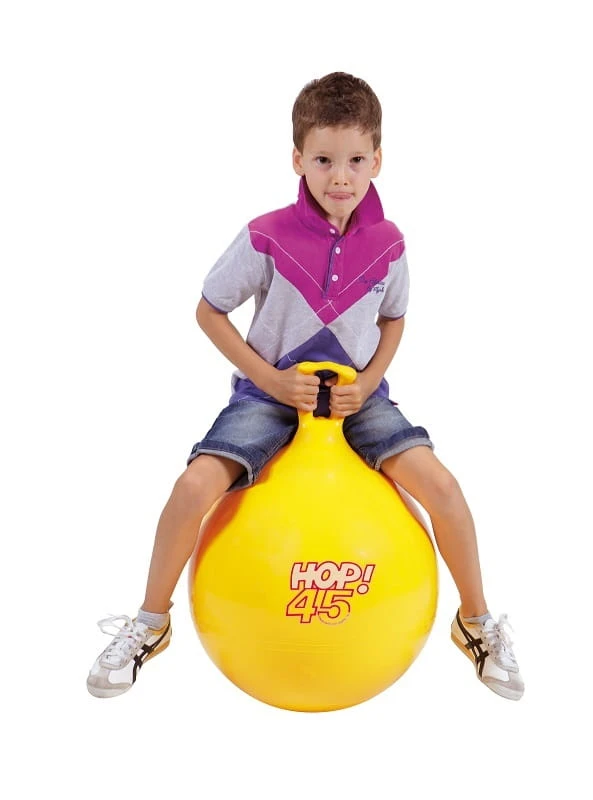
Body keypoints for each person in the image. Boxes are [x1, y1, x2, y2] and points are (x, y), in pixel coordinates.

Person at [87, 72, 523, 702]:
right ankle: (150, 624)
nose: (339, 177)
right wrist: (268, 378)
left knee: (444, 489)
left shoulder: (390, 243)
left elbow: (394, 319)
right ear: (297, 159)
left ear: (377, 160)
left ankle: (476, 623)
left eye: (355, 160)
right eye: (323, 160)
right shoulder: (266, 234)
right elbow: (209, 310)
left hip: (357, 401)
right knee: (192, 487)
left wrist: (367, 383)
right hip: (267, 398)